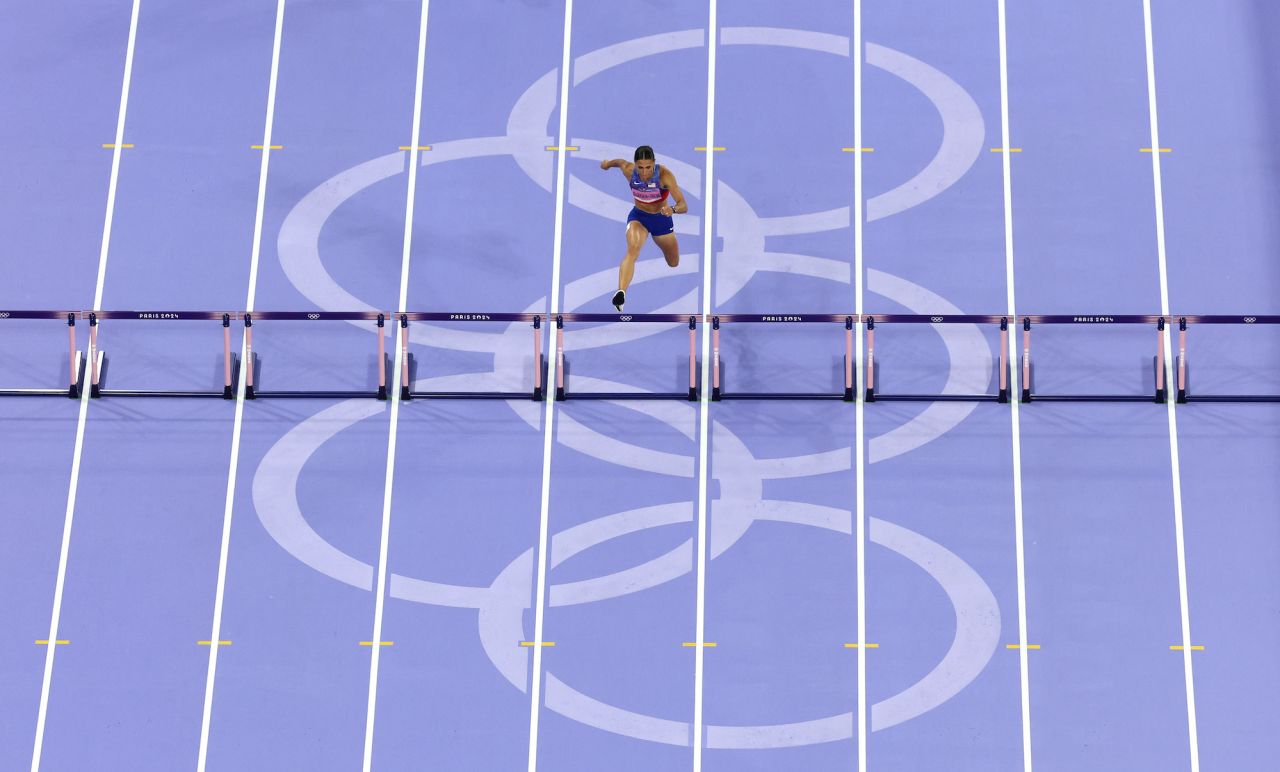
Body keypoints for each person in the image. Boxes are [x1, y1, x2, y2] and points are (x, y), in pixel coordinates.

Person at [599, 145, 688, 311]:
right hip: (639, 218)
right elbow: (619, 162)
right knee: (633, 250)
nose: (645, 172)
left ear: (654, 163)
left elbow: (683, 205)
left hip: (661, 220)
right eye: (640, 167)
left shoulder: (665, 176)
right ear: (635, 165)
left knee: (673, 262)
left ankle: (668, 249)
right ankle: (621, 293)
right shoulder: (629, 170)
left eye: (648, 167)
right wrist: (607, 164)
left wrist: (673, 209)